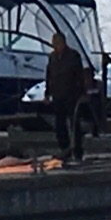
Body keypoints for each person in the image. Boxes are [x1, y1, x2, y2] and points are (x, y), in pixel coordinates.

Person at [44, 31, 87, 161]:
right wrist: (47, 93)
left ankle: (78, 151)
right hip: (58, 95)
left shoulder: (73, 56)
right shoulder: (52, 57)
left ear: (63, 42)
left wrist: (82, 93)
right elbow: (49, 76)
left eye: (56, 42)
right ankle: (64, 149)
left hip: (72, 95)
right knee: (59, 124)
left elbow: (80, 76)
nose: (54, 45)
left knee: (74, 124)